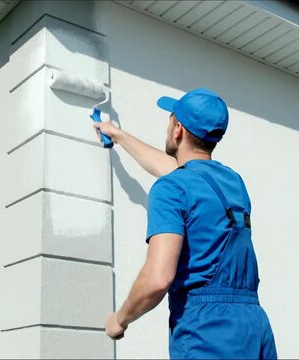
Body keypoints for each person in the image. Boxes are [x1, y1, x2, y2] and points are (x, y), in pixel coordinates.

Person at [96, 88, 277, 359]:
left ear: (178, 129)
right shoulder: (233, 183)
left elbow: (157, 279)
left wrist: (120, 319)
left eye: (170, 120)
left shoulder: (171, 188)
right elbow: (172, 168)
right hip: (254, 326)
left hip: (208, 332)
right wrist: (119, 135)